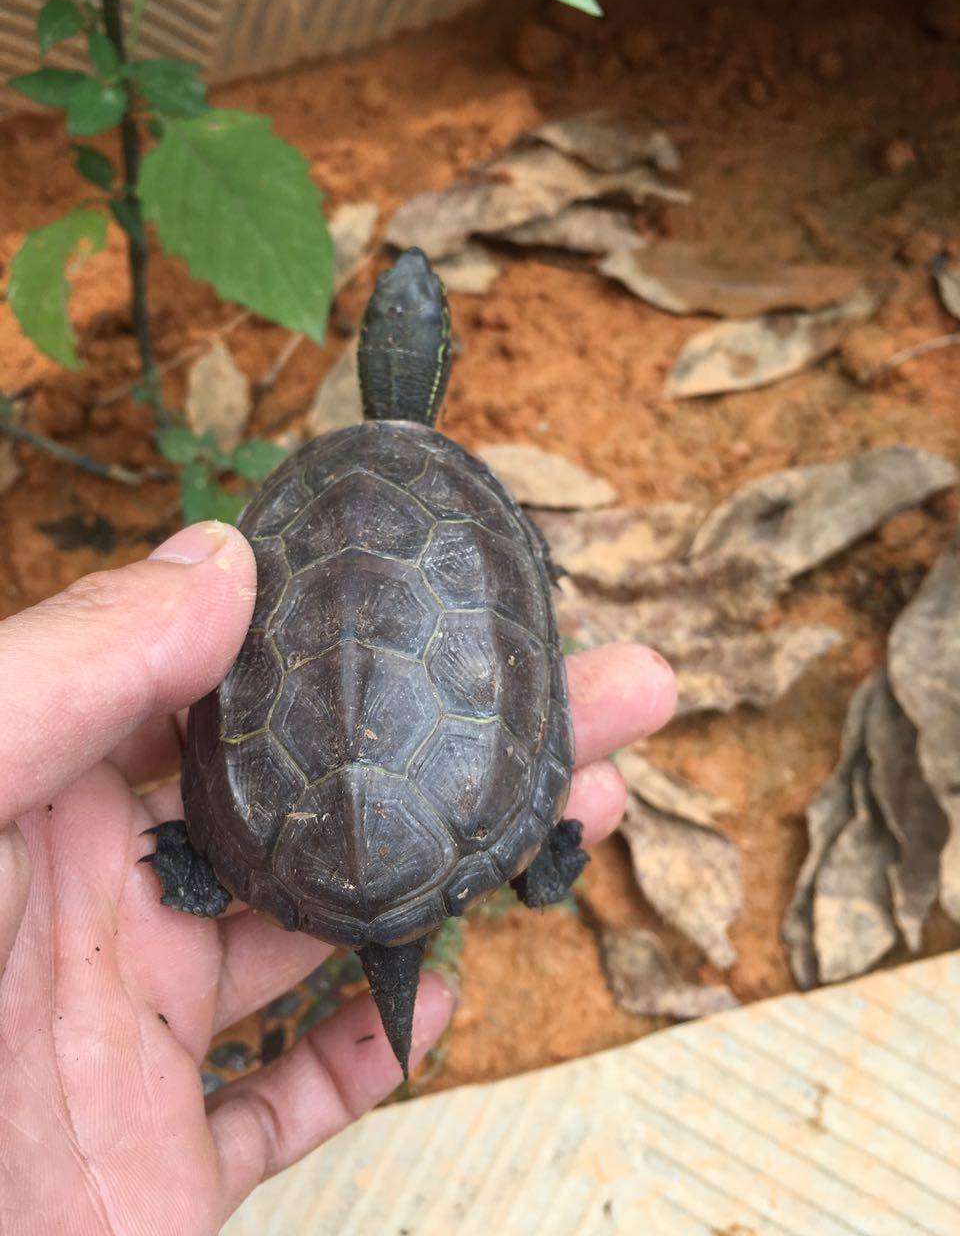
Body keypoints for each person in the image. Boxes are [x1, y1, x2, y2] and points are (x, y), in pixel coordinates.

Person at [0, 520, 677, 1234]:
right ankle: (524, 853)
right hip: (455, 809)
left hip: (279, 832)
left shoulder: (287, 511)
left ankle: (209, 866)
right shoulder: (463, 514)